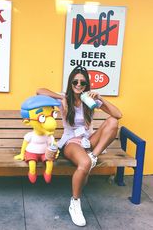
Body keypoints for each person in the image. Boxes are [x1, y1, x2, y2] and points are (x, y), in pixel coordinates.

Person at [37, 65, 122, 227]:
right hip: (71, 142)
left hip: (88, 141)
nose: (78, 84)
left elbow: (118, 114)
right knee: (84, 164)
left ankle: (93, 156)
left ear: (86, 85)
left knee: (113, 121)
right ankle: (75, 202)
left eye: (82, 82)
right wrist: (61, 97)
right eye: (75, 81)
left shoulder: (89, 100)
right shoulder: (64, 98)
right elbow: (39, 90)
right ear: (70, 83)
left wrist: (101, 98)